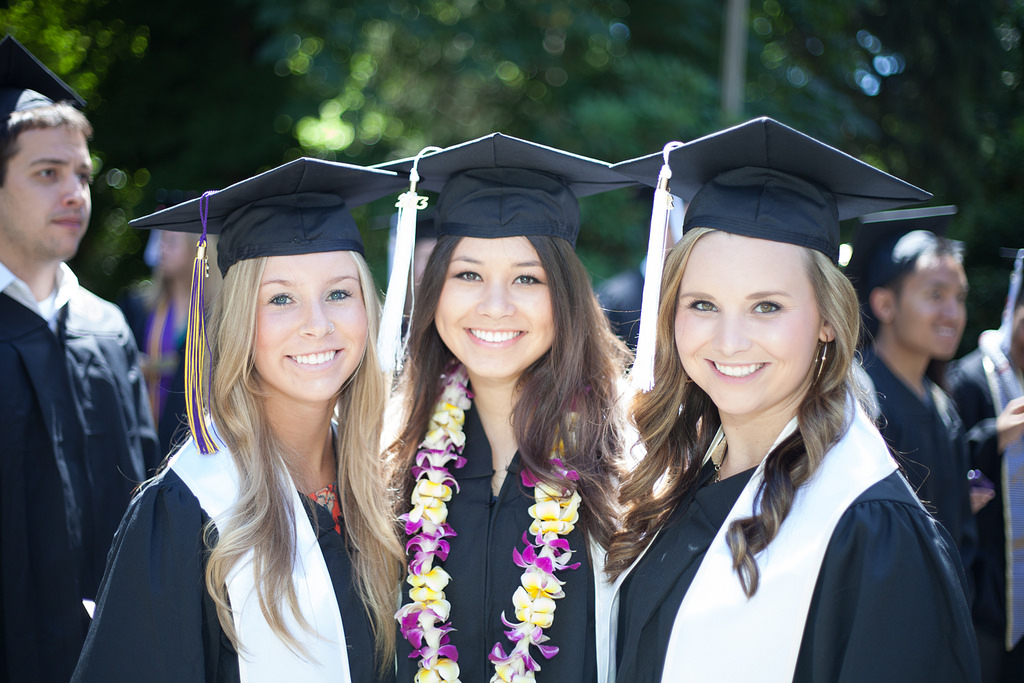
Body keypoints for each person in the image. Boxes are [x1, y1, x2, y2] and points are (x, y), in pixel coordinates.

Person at [605, 117, 980, 682]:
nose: (729, 341)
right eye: (703, 304)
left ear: (829, 319)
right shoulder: (677, 482)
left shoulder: (871, 531)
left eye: (767, 307)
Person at [71, 158, 408, 682]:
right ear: (237, 321)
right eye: (280, 299)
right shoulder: (190, 508)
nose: (317, 324)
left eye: (339, 293)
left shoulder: (384, 490)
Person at [379, 133, 633, 683]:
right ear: (434, 290)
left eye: (526, 278)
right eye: (467, 274)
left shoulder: (628, 466)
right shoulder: (388, 464)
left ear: (564, 294)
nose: (495, 306)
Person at [0, 35, 160, 683]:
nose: (75, 193)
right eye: (48, 173)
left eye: (82, 175)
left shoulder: (108, 329)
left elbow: (147, 506)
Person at [845, 205, 978, 572]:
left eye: (959, 297)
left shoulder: (942, 404)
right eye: (936, 295)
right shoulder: (856, 399)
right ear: (885, 304)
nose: (953, 313)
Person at [949, 247, 1024, 682]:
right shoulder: (971, 377)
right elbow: (946, 464)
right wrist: (995, 434)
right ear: (1014, 306)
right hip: (987, 586)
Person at [119, 225, 220, 456]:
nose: (161, 249)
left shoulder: (217, 315)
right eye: (161, 242)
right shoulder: (142, 308)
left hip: (193, 439)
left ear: (198, 249)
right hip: (142, 428)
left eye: (171, 242)